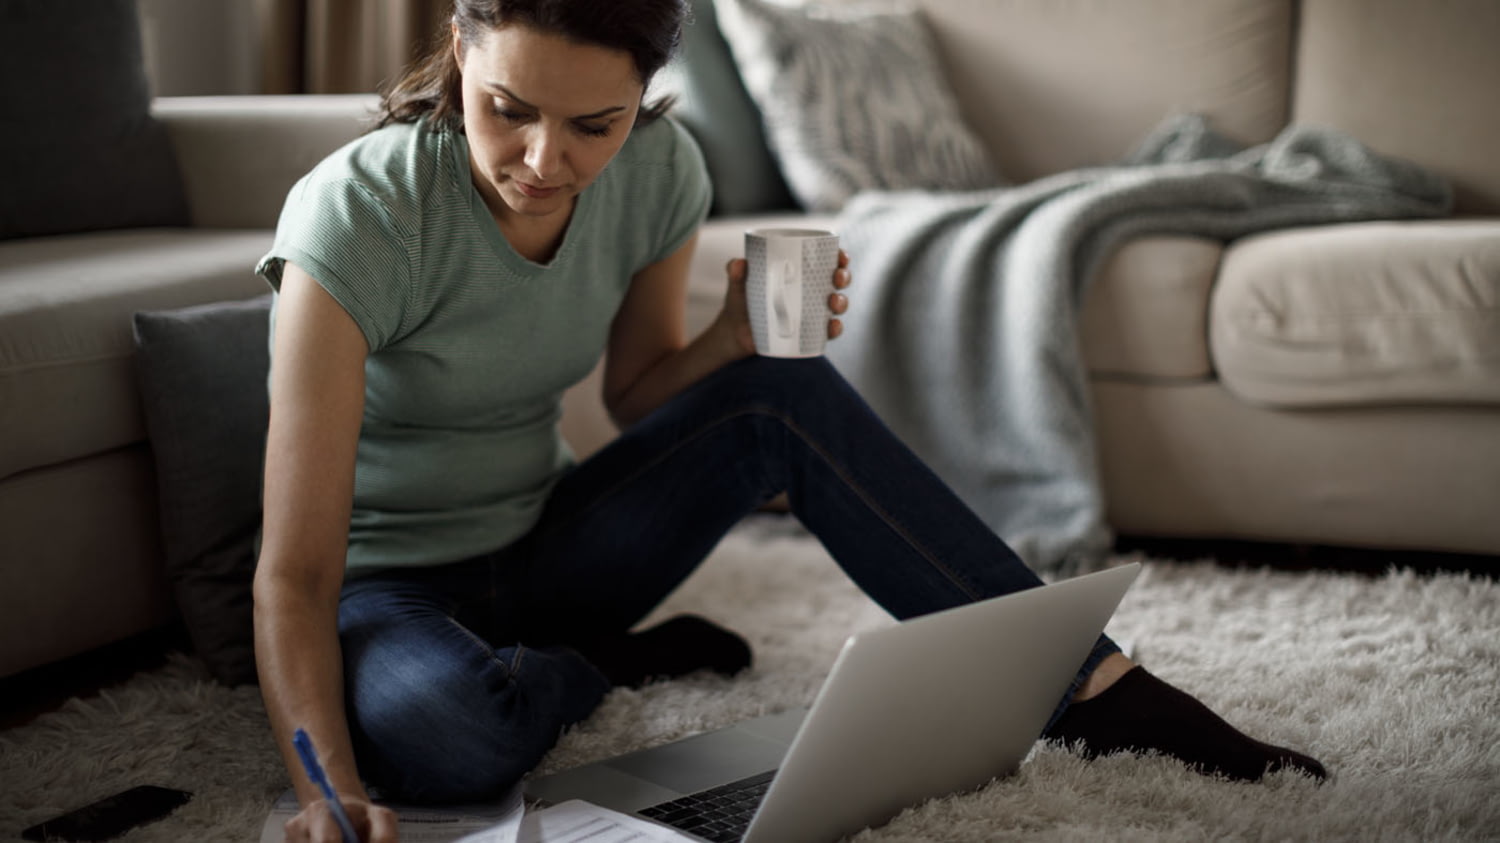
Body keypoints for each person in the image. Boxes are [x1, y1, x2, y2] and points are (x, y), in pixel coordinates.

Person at [253, 1, 1327, 840]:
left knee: (781, 392)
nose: (545, 162)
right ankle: (600, 665)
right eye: (508, 109)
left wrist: (728, 343)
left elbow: (636, 398)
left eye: (595, 124)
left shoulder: (661, 172)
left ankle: (1091, 682)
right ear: (458, 48)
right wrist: (321, 790)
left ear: (643, 99)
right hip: (386, 583)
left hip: (546, 547)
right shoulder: (365, 212)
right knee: (446, 739)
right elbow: (293, 574)